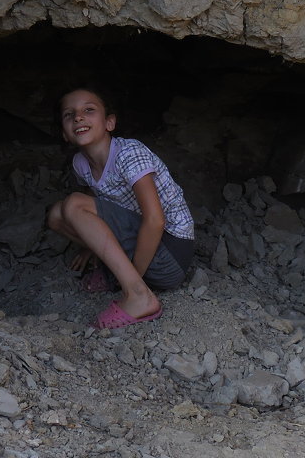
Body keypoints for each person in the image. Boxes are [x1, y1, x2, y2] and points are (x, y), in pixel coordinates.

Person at [46, 86, 195, 329]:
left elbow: (155, 220)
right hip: (144, 247)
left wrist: (133, 278)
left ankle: (138, 295)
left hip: (170, 253)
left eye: (89, 110)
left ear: (110, 123)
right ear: (64, 133)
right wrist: (90, 244)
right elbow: (97, 206)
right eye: (69, 115)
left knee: (73, 204)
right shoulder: (80, 163)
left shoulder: (129, 154)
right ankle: (124, 276)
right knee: (56, 215)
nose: (78, 117)